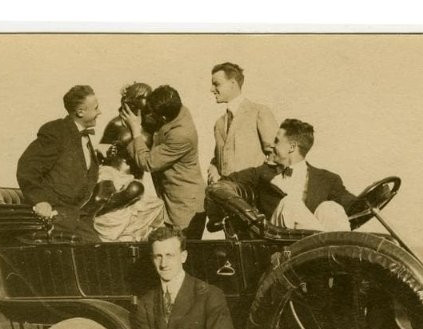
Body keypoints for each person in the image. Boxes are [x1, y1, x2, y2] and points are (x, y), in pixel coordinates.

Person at [222, 119, 356, 231]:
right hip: (277, 244)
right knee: (290, 204)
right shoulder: (261, 173)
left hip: (309, 246)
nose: (271, 146)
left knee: (330, 208)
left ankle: (336, 252)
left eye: (277, 141)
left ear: (292, 147)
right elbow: (225, 182)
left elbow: (356, 207)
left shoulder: (327, 179)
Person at [17, 85, 102, 241]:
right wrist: (41, 201)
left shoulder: (82, 136)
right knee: (94, 246)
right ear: (80, 112)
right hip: (55, 214)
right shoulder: (56, 131)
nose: (99, 112)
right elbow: (27, 168)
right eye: (96, 108)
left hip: (76, 214)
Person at [120, 85, 206, 239]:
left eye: (152, 114)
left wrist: (135, 131)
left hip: (185, 208)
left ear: (164, 118)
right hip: (173, 199)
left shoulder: (182, 135)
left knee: (183, 248)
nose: (148, 116)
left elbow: (148, 163)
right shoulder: (175, 108)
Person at [208, 62, 278, 184]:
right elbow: (220, 158)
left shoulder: (259, 112)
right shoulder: (219, 123)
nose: (211, 89)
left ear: (233, 84)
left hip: (253, 192)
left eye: (216, 84)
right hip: (225, 192)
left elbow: (278, 154)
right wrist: (213, 168)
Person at [92, 155, 166, 242]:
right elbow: (100, 198)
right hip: (110, 219)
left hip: (128, 218)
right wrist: (125, 196)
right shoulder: (107, 171)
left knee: (157, 204)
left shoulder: (137, 176)